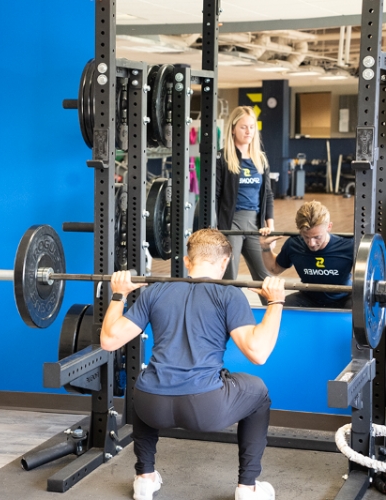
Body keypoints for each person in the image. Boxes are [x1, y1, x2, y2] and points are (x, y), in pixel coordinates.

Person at [100, 228, 286, 500]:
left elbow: (108, 340)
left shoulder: (156, 291)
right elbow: (258, 353)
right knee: (258, 392)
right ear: (224, 262)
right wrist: (276, 302)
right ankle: (248, 487)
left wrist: (119, 294)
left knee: (146, 380)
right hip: (205, 409)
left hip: (152, 407)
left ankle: (144, 477)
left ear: (187, 262)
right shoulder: (229, 294)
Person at [216, 106, 275, 283]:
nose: (249, 131)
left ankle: (273, 310)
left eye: (252, 127)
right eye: (243, 127)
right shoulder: (222, 157)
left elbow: (268, 195)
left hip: (255, 224)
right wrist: (216, 228)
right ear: (233, 128)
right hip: (230, 223)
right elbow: (215, 195)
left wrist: (270, 226)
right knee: (229, 279)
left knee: (266, 278)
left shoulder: (261, 158)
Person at [259, 200, 353, 309]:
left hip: (343, 298)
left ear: (329, 227)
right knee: (276, 308)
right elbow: (275, 269)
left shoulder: (348, 246)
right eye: (306, 237)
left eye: (317, 237)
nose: (311, 243)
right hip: (308, 298)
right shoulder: (293, 244)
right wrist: (265, 248)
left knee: (359, 311)